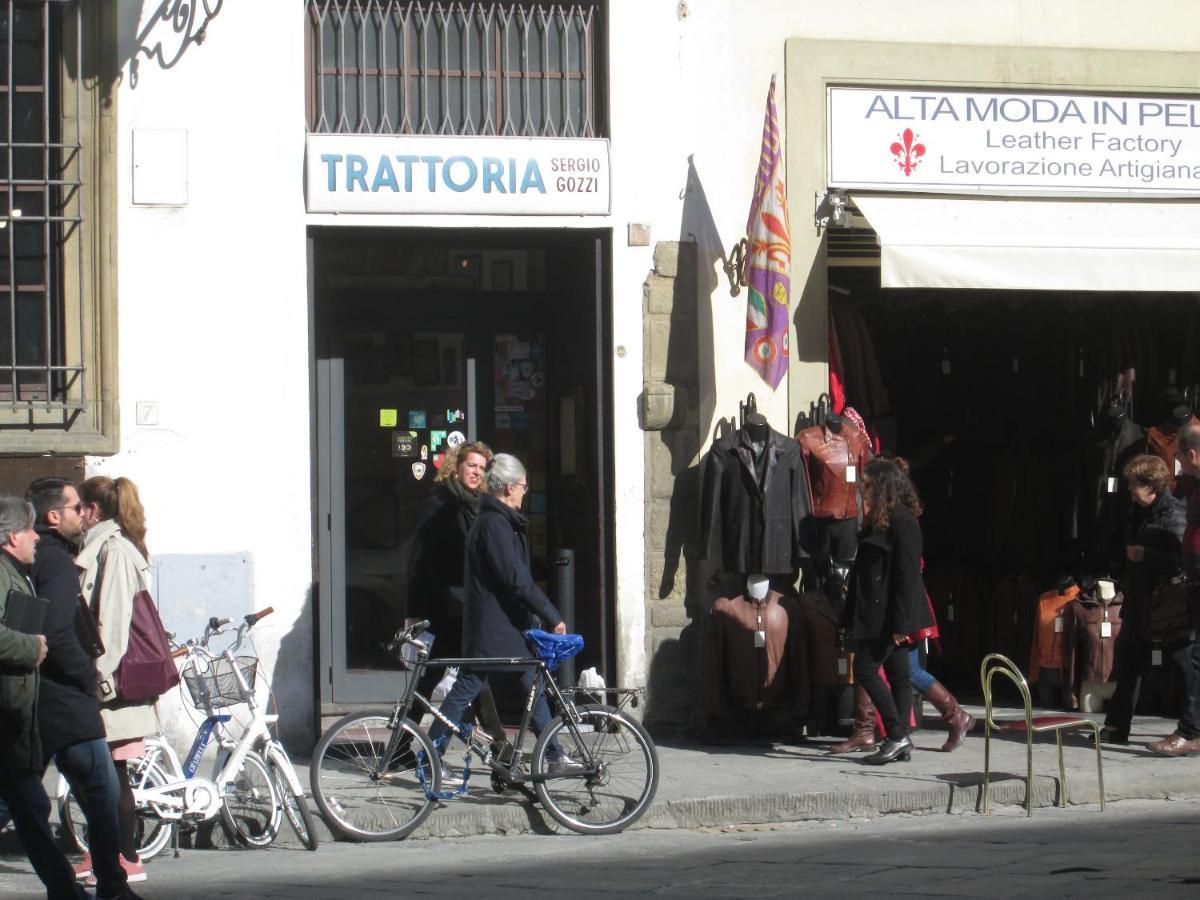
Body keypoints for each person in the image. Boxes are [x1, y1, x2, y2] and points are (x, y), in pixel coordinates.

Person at [426, 454, 582, 775]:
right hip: (494, 629)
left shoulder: (498, 521)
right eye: (524, 487)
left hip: (502, 626)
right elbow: (516, 579)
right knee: (466, 689)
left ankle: (553, 754)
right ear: (510, 488)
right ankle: (431, 758)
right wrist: (552, 614)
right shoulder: (494, 525)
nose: (525, 492)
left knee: (532, 683)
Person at [27, 478, 138, 897]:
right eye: (76, 508)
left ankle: (80, 886)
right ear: (53, 516)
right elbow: (56, 628)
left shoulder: (26, 560)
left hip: (34, 697)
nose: (83, 514)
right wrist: (86, 676)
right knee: (102, 794)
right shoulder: (53, 559)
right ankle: (111, 884)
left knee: (21, 798)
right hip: (66, 702)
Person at [0, 495, 88, 900]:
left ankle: (64, 889)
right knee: (30, 808)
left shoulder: (13, 572)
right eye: (29, 529)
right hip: (6, 720)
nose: (36, 536)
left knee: (30, 810)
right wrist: (32, 647)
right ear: (10, 536)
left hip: (13, 720)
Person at [76, 476, 159, 883]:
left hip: (117, 685)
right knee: (106, 773)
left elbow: (111, 625)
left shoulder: (113, 550)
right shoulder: (103, 548)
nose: (76, 515)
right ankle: (106, 855)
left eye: (79, 508)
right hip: (113, 682)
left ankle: (127, 859)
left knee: (114, 775)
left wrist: (96, 682)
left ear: (92, 510)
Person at [409, 442, 507, 746]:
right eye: (471, 466)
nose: (477, 472)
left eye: (481, 467)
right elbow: (420, 558)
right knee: (473, 672)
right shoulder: (441, 502)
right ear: (456, 467)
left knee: (439, 678)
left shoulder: (476, 503)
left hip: (463, 606)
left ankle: (400, 747)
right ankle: (501, 749)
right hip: (447, 605)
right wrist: (416, 608)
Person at [841, 458, 933, 765]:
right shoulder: (879, 520)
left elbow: (907, 577)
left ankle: (896, 735)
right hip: (876, 613)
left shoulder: (903, 521)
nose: (864, 491)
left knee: (867, 670)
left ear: (883, 487)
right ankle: (901, 740)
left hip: (891, 617)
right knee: (899, 675)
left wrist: (901, 624)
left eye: (868, 485)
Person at [1101, 457, 1185, 744]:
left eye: (1133, 484)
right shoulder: (1136, 512)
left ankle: (1191, 729)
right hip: (1139, 602)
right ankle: (1115, 728)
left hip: (1166, 607)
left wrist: (1145, 555)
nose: (1129, 491)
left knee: (1185, 664)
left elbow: (1180, 560)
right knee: (1128, 663)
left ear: (1151, 485)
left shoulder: (1172, 513)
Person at [1148, 425, 1200, 756]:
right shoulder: (1193, 486)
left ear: (1191, 455)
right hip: (1195, 580)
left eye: (1179, 455)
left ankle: (1191, 732)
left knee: (1192, 656)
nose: (1177, 460)